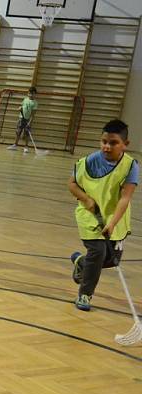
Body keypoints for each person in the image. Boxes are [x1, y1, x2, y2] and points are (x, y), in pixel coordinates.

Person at [68, 119, 137, 311]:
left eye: (113, 143)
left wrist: (112, 223)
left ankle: (82, 262)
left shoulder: (131, 166)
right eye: (104, 141)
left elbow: (125, 198)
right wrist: (86, 199)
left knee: (110, 259)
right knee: (98, 252)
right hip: (89, 214)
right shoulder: (89, 161)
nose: (107, 147)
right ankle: (85, 295)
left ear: (125, 144)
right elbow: (72, 184)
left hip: (115, 218)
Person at [7, 86, 37, 153]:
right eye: (29, 93)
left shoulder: (35, 103)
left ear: (35, 94)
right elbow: (21, 106)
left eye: (33, 93)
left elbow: (33, 114)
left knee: (26, 134)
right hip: (21, 118)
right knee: (18, 132)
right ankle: (15, 145)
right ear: (28, 93)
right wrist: (19, 108)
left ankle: (26, 147)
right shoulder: (25, 99)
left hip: (27, 120)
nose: (31, 95)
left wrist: (29, 122)